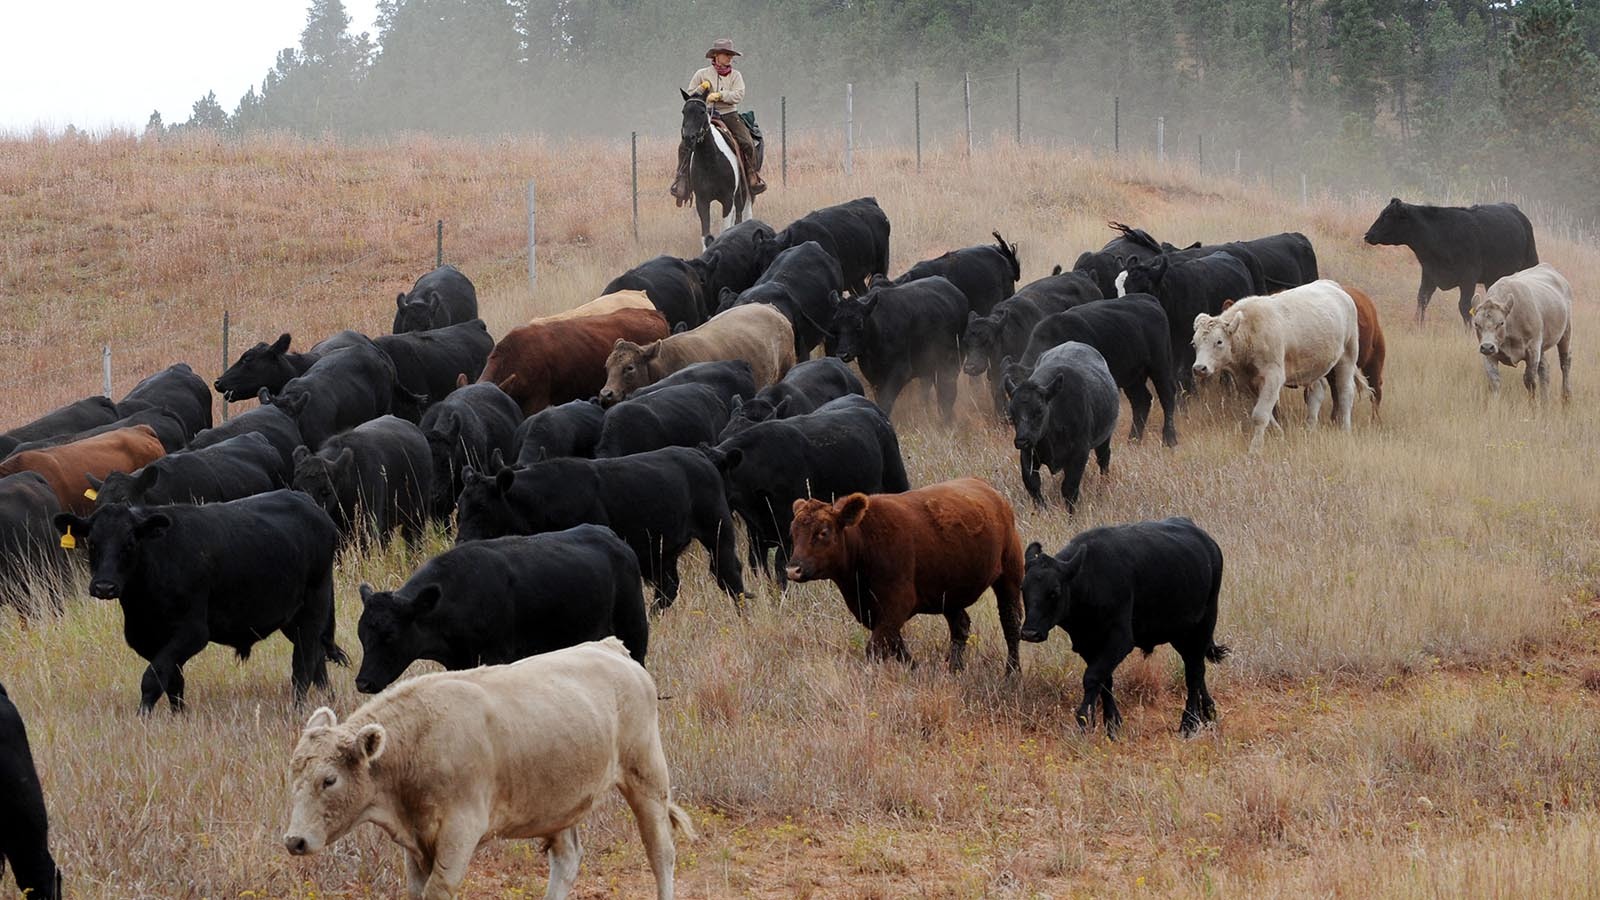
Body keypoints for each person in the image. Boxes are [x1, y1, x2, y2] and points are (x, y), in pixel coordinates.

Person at [672, 38, 766, 202]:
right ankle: (682, 180)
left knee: (747, 142)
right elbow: (690, 96)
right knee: (684, 145)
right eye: (726, 54)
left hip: (729, 114)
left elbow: (739, 94)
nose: (729, 58)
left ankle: (751, 176)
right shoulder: (701, 74)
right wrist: (702, 90)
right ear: (716, 56)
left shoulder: (736, 76)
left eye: (731, 55)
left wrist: (721, 95)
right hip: (705, 114)